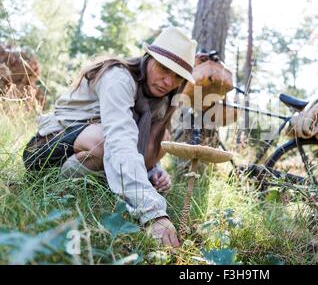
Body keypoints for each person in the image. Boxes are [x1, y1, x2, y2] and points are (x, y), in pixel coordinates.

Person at [22, 26, 198, 248]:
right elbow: (120, 139)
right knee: (103, 140)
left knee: (164, 137)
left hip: (92, 152)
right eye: (164, 68)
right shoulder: (118, 77)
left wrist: (155, 171)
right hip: (46, 148)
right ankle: (54, 185)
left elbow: (140, 142)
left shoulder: (160, 101)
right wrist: (153, 213)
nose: (168, 82)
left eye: (178, 77)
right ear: (149, 58)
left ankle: (98, 188)